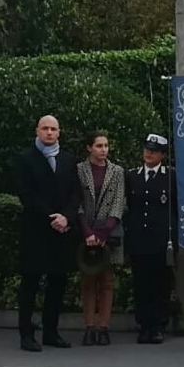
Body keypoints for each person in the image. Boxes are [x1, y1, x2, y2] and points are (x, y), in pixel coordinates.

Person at [16, 115, 81, 352]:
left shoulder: (67, 159)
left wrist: (66, 216)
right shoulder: (26, 158)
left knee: (58, 283)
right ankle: (26, 334)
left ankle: (51, 331)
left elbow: (75, 194)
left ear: (59, 132)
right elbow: (26, 193)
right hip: (36, 229)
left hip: (62, 231)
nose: (49, 133)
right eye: (45, 128)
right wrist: (50, 216)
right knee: (30, 283)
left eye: (53, 129)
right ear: (37, 131)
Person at [123, 134, 175, 344]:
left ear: (162, 154)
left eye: (154, 150)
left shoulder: (170, 176)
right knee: (141, 283)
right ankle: (144, 324)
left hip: (161, 240)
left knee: (160, 283)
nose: (149, 153)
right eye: (147, 149)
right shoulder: (132, 176)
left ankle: (158, 325)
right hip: (138, 238)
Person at [76, 131, 125, 346]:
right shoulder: (79, 170)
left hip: (108, 233)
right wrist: (88, 232)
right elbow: (76, 202)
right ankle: (89, 327)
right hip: (86, 232)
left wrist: (104, 233)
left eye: (106, 145)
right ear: (89, 148)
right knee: (87, 281)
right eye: (98, 146)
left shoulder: (117, 172)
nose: (103, 150)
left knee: (106, 282)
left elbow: (118, 203)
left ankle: (104, 327)